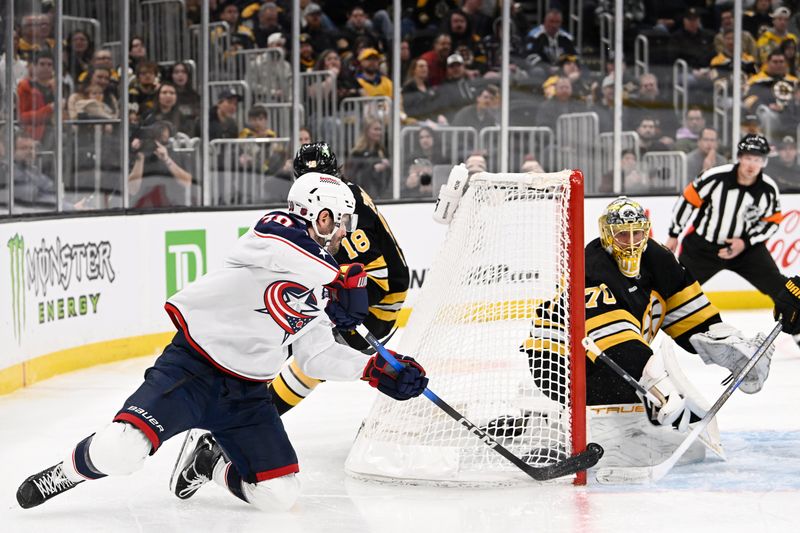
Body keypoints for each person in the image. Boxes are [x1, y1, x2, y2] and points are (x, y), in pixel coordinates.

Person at [16, 172, 427, 511]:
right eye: (342, 222)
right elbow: (289, 251)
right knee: (121, 451)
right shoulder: (273, 232)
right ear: (320, 216)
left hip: (247, 396)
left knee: (279, 496)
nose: (346, 233)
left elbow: (316, 354)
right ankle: (66, 472)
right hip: (191, 370)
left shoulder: (322, 279)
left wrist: (372, 369)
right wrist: (334, 282)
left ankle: (210, 465)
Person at [520, 197, 774, 468]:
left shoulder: (659, 260)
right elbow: (615, 344)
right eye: (621, 235)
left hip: (607, 356)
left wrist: (730, 348)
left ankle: (615, 429)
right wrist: (656, 387)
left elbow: (692, 320)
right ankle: (563, 428)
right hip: (556, 361)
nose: (630, 242)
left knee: (648, 394)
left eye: (637, 233)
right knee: (641, 393)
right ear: (608, 236)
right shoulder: (592, 268)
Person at [265, 142, 411, 414]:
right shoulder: (326, 201)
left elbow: (379, 278)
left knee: (313, 359)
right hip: (362, 289)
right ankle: (249, 414)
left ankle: (253, 420)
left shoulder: (344, 206)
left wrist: (343, 306)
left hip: (379, 305)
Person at [665, 134, 789, 331]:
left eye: (757, 159)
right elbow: (688, 200)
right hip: (702, 249)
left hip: (746, 251)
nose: (752, 164)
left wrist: (745, 242)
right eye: (748, 157)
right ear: (739, 157)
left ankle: (798, 330)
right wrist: (674, 234)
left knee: (783, 290)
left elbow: (772, 222)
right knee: (675, 294)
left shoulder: (768, 189)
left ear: (764, 162)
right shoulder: (715, 177)